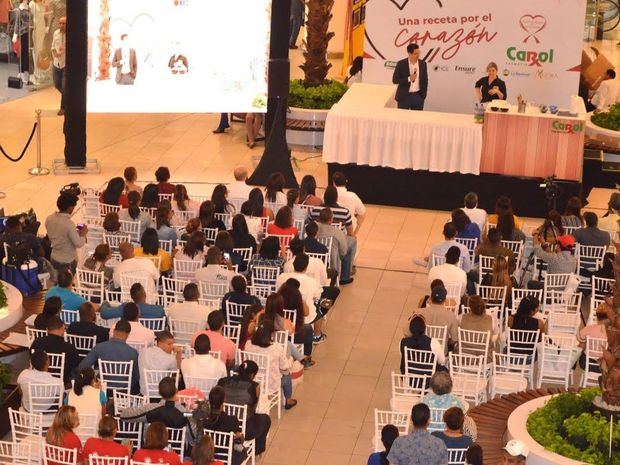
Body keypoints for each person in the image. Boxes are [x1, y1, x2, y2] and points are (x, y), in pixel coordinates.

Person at [217, 360, 271, 455]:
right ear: (252, 375)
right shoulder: (254, 386)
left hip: (222, 425)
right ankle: (256, 450)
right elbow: (253, 408)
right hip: (244, 429)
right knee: (265, 419)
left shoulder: (223, 381)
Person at [245, 319, 297, 409]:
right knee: (287, 375)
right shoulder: (276, 348)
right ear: (271, 334)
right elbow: (284, 367)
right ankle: (288, 400)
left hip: (252, 380)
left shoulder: (248, 344)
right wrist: (291, 360)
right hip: (271, 384)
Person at [79, 319, 140, 394]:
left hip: (103, 388)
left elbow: (83, 366)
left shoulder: (99, 347)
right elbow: (137, 376)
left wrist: (94, 378)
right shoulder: (133, 352)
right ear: (128, 334)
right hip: (124, 391)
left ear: (114, 331)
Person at [276, 254, 325, 342]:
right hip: (302, 316)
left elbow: (277, 290)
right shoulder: (312, 281)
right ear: (306, 267)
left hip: (282, 313)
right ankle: (317, 336)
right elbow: (317, 296)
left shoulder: (282, 277)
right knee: (319, 309)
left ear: (293, 264)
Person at [121, 377, 188, 430]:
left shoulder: (150, 408)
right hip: (176, 446)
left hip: (153, 443)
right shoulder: (184, 412)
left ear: (159, 393)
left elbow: (124, 415)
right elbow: (194, 425)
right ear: (176, 391)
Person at [31, 316, 80, 385]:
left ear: (47, 329)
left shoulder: (37, 342)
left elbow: (31, 357)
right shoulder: (69, 348)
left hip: (38, 380)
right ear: (63, 328)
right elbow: (75, 365)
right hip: (62, 381)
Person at [45, 192, 87, 272]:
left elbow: (58, 233)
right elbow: (79, 243)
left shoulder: (49, 219)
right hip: (68, 261)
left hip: (54, 257)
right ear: (70, 208)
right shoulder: (69, 224)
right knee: (67, 283)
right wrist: (83, 234)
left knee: (57, 279)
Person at [317, 207, 356, 285]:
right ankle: (344, 277)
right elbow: (343, 251)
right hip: (332, 260)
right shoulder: (337, 232)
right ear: (331, 220)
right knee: (348, 248)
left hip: (316, 257)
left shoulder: (313, 227)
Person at [138, 330, 181, 396]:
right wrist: (179, 353)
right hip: (163, 394)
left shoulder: (143, 352)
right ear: (160, 343)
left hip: (144, 393)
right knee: (178, 378)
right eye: (169, 344)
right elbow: (177, 372)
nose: (172, 347)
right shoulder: (171, 358)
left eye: (173, 344)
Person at [392, 43, 429, 111]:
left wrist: (423, 95)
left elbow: (425, 80)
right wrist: (409, 79)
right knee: (402, 119)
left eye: (419, 53)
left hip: (418, 96)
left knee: (417, 119)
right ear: (409, 53)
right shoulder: (401, 64)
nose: (418, 55)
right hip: (404, 97)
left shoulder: (423, 64)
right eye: (415, 53)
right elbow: (395, 80)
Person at [100, 282, 165, 320]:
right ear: (145, 295)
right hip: (152, 339)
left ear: (131, 297)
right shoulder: (159, 309)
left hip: (130, 339)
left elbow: (104, 313)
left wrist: (105, 303)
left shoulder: (126, 308)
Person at [51, 16, 66, 115]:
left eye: (63, 23)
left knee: (64, 86)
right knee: (57, 84)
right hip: (56, 63)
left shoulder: (71, 35)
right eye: (60, 23)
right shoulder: (56, 33)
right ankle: (69, 97)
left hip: (66, 64)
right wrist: (54, 53)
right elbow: (52, 46)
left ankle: (63, 108)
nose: (61, 25)